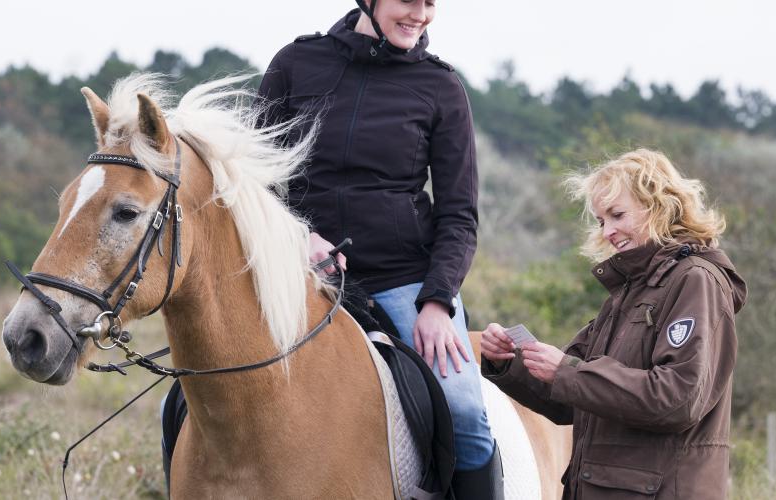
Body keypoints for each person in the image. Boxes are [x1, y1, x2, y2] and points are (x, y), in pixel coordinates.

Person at [257, 0, 500, 496]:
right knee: (187, 398)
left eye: (431, 3)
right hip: (300, 277)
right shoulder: (294, 64)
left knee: (464, 411)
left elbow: (459, 216)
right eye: (409, 1)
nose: (421, 14)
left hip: (405, 283)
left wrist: (437, 302)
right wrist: (297, 237)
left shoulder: (441, 88)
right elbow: (252, 182)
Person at [480, 149, 747, 499]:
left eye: (617, 215)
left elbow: (678, 398)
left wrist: (567, 372)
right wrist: (509, 364)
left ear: (658, 204)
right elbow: (570, 397)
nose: (607, 231)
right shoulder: (628, 293)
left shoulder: (696, 280)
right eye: (601, 220)